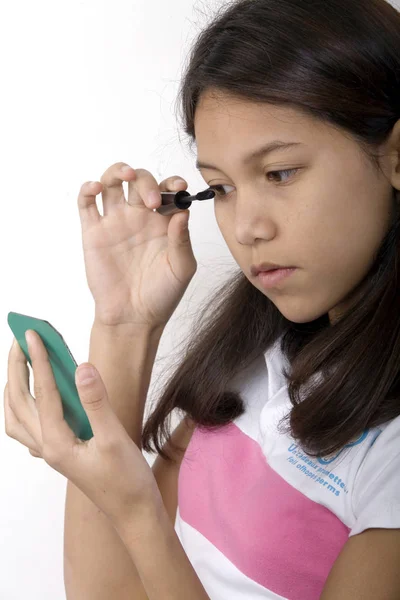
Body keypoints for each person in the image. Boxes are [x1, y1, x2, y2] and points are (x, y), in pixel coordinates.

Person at [5, 0, 400, 598]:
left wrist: (138, 513)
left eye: (280, 173)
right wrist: (125, 324)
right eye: (221, 188)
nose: (245, 228)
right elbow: (107, 593)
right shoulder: (252, 360)